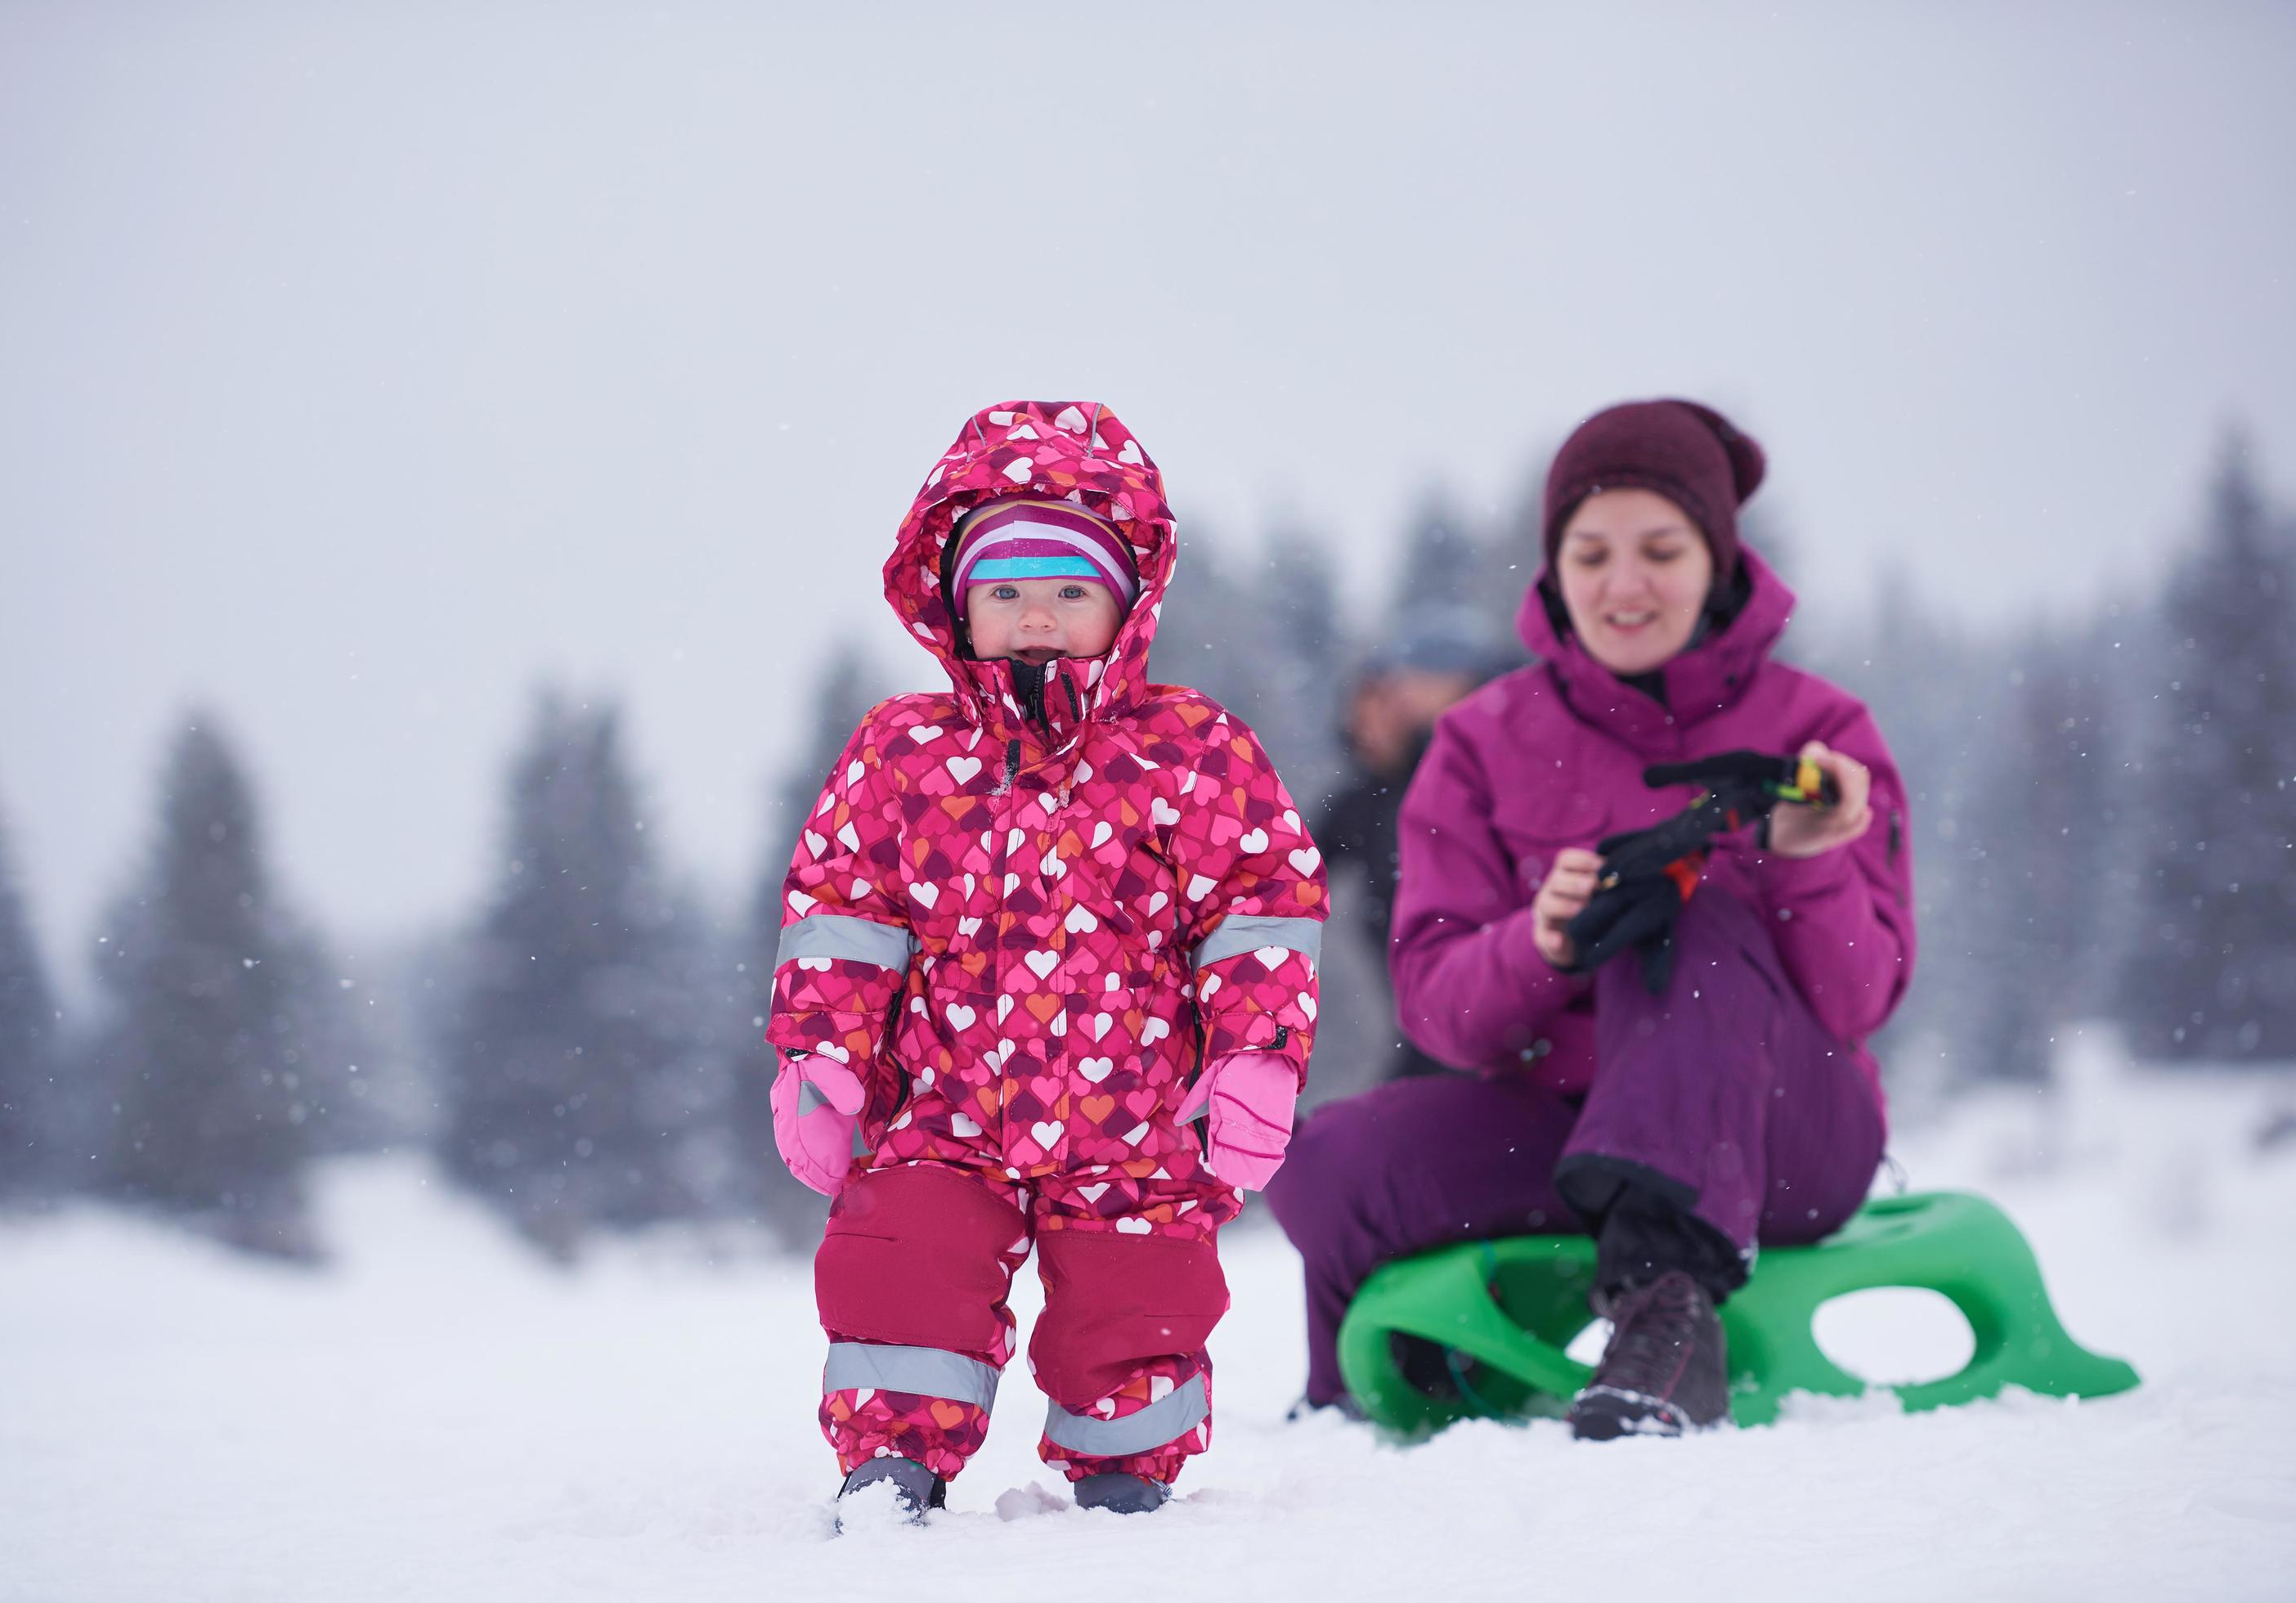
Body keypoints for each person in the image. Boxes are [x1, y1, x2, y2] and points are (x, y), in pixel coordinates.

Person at [1271, 398, 1912, 1439]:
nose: (1624, 583)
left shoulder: (1819, 730)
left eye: (1660, 548)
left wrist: (1808, 861)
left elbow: (1860, 995)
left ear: (1715, 557)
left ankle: (1666, 1314)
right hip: (1571, 1124)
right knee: (1329, 1161)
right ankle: (1374, 1381)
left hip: (1785, 1130)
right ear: (1554, 565)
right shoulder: (1480, 742)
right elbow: (1438, 1012)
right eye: (1592, 550)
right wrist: (1539, 942)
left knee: (1688, 918)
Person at [765, 401, 1329, 1521]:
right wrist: (823, 1059)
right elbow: (843, 914)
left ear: (1124, 604)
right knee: (900, 1267)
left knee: (1140, 1300)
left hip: (1135, 1113)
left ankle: (1125, 1464)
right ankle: (893, 1464)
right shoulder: (903, 751)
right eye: (1006, 593)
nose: (1036, 619)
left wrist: (1257, 1057)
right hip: (940, 1108)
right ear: (956, 606)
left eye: (1069, 592)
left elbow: (1259, 908)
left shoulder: (1187, 748)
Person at [1313, 608, 1513, 1082]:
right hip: (1429, 1028)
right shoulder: (1361, 802)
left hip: (1492, 1015)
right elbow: (1280, 875)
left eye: (1397, 696)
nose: (1375, 717)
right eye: (1369, 700)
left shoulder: (1461, 782)